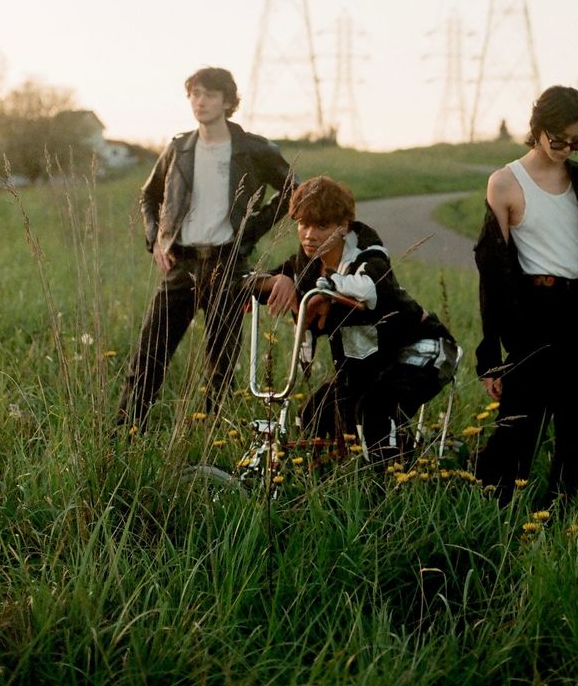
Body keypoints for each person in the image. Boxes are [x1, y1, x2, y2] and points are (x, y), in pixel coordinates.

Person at [117, 67, 296, 430]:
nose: (200, 102)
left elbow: (294, 189)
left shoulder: (253, 148)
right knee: (149, 355)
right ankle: (125, 432)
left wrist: (251, 228)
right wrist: (157, 239)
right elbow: (149, 195)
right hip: (181, 264)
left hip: (228, 264)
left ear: (228, 101)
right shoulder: (179, 147)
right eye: (195, 94)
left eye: (210, 95)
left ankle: (212, 438)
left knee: (221, 364)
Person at [473, 85, 578, 503]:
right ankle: (493, 512)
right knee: (519, 424)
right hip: (536, 314)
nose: (567, 149)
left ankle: (567, 519)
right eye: (559, 139)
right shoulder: (504, 183)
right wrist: (491, 355)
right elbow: (494, 271)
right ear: (537, 129)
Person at [259, 176, 460, 463]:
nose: (310, 235)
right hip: (373, 363)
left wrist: (326, 290)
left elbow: (368, 288)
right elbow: (249, 283)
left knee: (375, 410)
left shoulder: (368, 256)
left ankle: (390, 490)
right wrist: (279, 280)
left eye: (322, 225)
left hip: (425, 348)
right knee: (314, 414)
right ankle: (326, 482)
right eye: (303, 224)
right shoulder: (306, 263)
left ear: (343, 226)